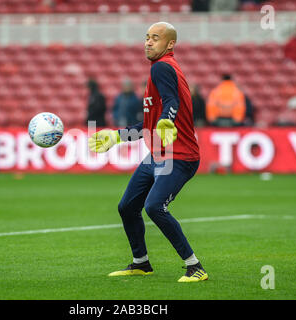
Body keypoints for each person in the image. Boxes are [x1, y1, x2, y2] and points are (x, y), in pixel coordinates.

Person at [88, 22, 208, 283]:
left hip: (180, 155)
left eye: (156, 38)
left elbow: (172, 102)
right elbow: (149, 125)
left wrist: (167, 120)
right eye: (147, 37)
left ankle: (195, 266)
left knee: (154, 207)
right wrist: (118, 136)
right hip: (158, 155)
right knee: (127, 207)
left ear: (170, 44)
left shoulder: (163, 67)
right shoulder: (159, 70)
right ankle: (141, 263)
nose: (149, 42)